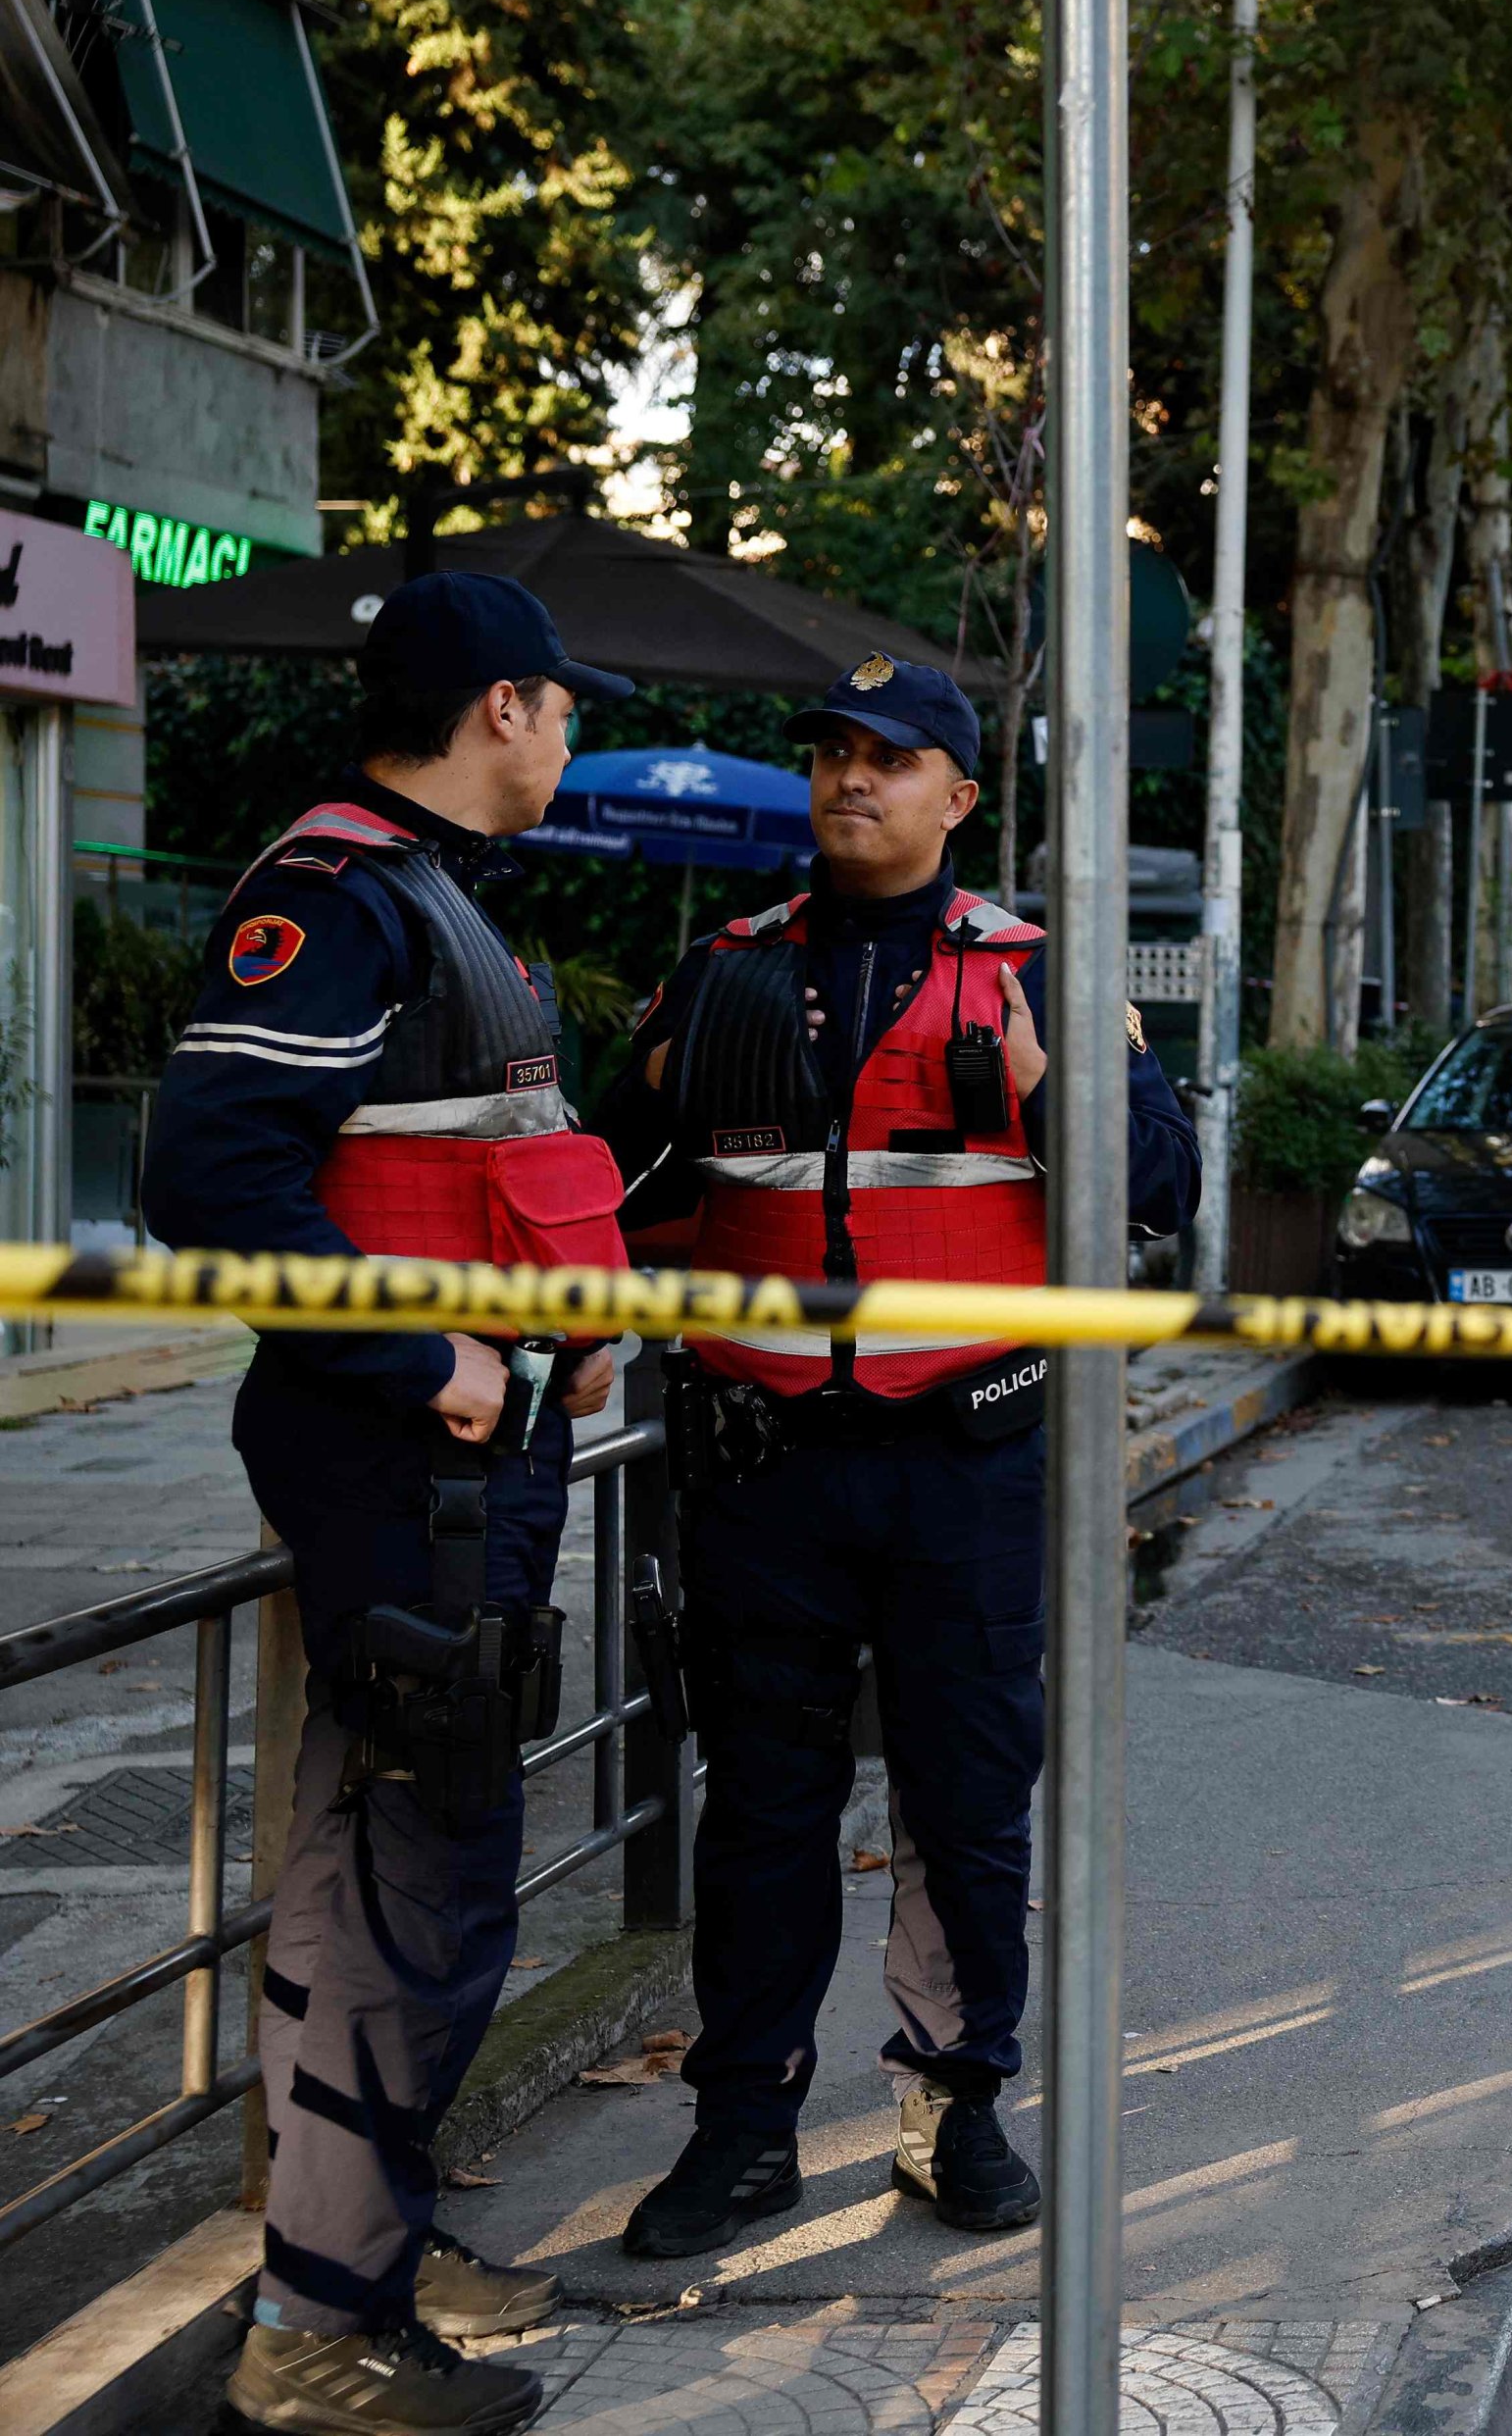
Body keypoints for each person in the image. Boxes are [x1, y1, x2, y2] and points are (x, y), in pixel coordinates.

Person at [594, 656, 1199, 2260]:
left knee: (968, 1804)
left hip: (965, 1469)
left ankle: (953, 2113)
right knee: (763, 1811)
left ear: (960, 796)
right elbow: (602, 1184)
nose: (850, 780)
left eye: (890, 758)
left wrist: (1046, 1075)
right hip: (762, 1469)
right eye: (831, 755)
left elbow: (1159, 1189)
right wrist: (649, 1086)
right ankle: (744, 2135)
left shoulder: (1040, 978)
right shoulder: (723, 966)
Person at [143, 574, 640, 2436]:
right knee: (397, 1882)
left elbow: (468, 1174)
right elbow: (207, 1176)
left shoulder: (432, 903)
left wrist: (556, 1335)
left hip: (468, 1456)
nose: (575, 732)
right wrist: (422, 1357)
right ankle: (315, 2340)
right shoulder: (337, 898)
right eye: (564, 705)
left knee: (420, 1869)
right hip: (403, 1466)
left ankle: (363, 2257)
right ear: (501, 708)